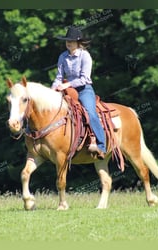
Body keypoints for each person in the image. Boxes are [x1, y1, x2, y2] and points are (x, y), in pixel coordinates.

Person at [51, 26, 106, 159]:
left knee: (91, 113)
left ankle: (101, 146)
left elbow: (85, 78)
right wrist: (51, 91)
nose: (68, 43)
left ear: (78, 42)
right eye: (66, 40)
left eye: (71, 40)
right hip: (67, 90)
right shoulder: (62, 56)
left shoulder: (85, 56)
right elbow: (58, 77)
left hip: (83, 90)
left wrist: (67, 84)